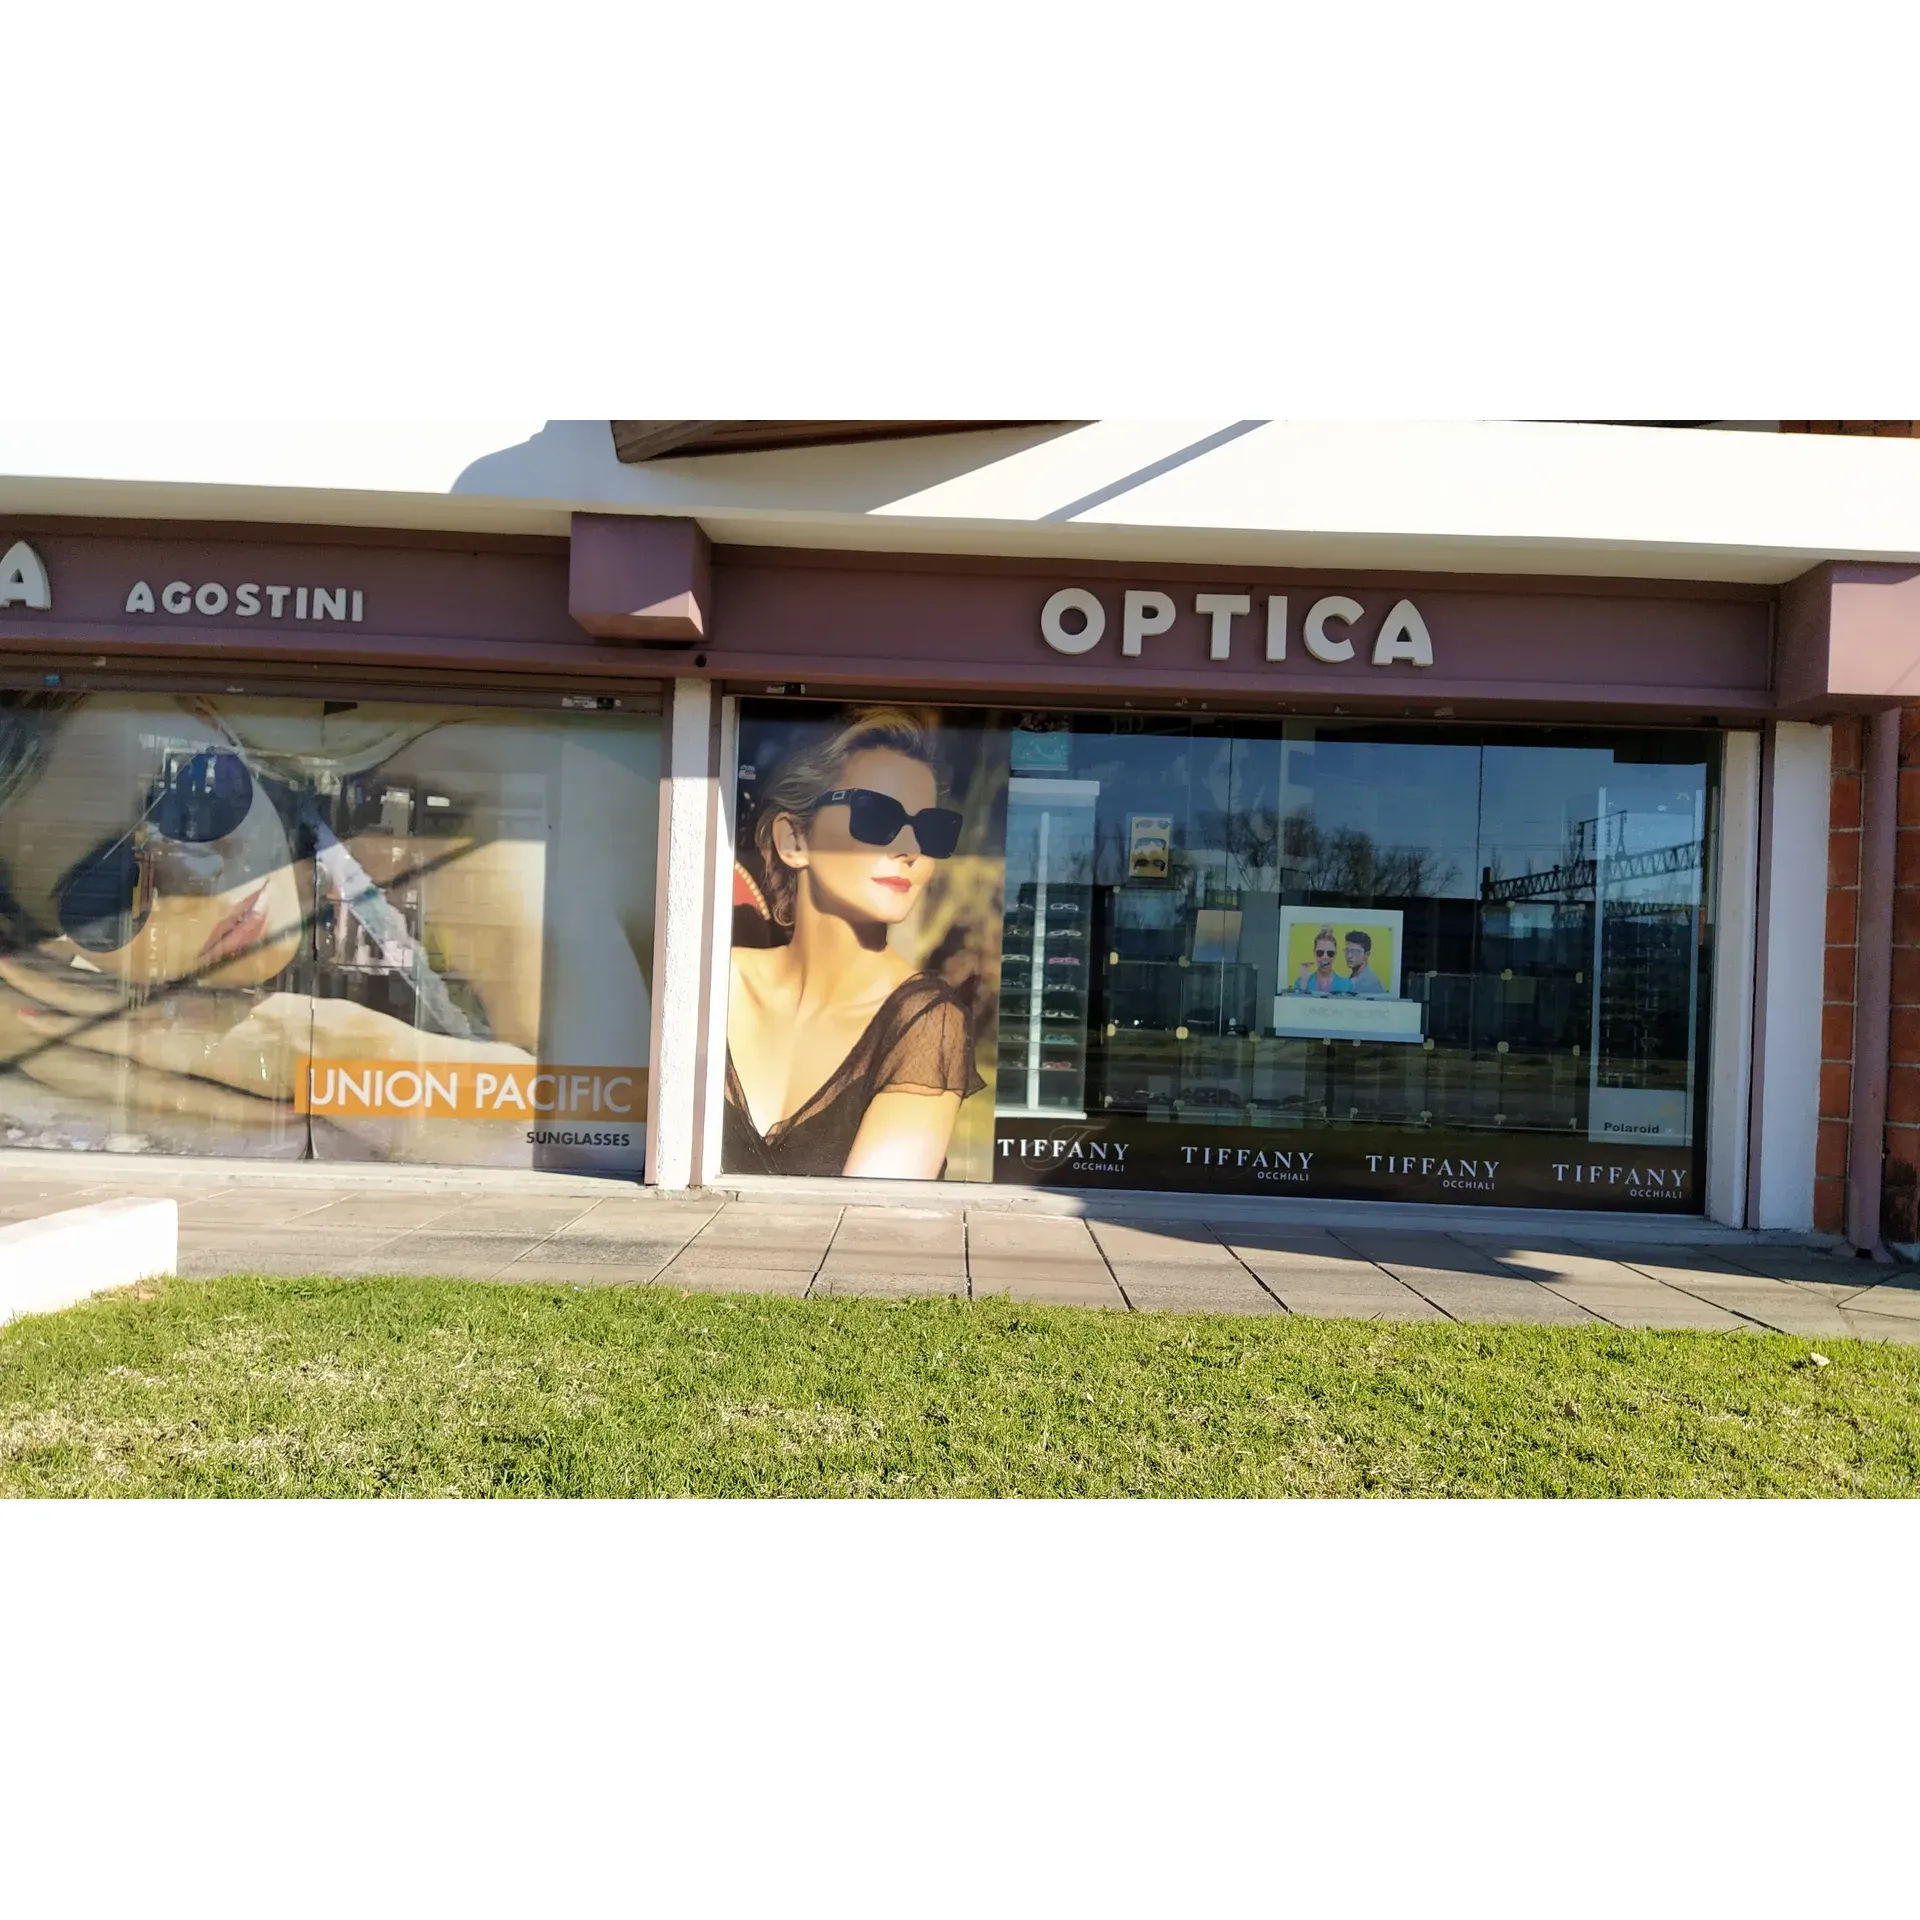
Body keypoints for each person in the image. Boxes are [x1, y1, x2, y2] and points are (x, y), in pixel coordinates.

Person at [0, 692, 592, 1161]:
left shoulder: (446, 824)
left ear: (216, 727)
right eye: (103, 887)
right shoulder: (50, 1010)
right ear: (44, 940)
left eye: (191, 793)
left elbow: (589, 1121)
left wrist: (327, 1048)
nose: (199, 875)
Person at [725, 707, 982, 1178]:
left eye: (931, 829)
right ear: (794, 839)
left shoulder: (926, 1023)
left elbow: (870, 1217)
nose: (910, 848)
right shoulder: (713, 985)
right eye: (876, 816)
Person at [1292, 924, 1354, 995]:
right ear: (1314, 953)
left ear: (1335, 955)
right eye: (1320, 953)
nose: (1325, 957)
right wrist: (1303, 985)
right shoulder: (1300, 982)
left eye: (1330, 953)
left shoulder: (1347, 985)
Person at [1342, 929, 1389, 994]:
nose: (1349, 956)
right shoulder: (1350, 978)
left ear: (1367, 954)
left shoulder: (1373, 984)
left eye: (1355, 952)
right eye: (1347, 951)